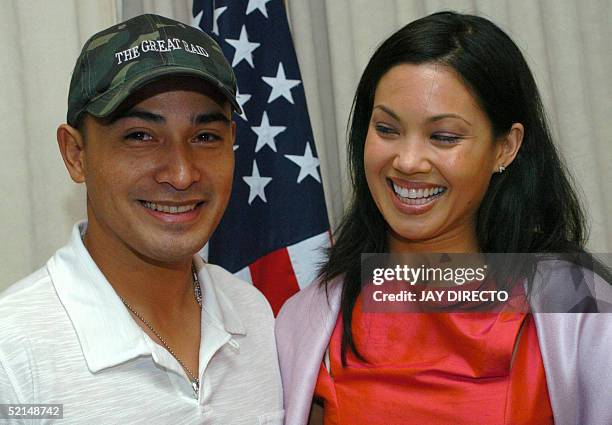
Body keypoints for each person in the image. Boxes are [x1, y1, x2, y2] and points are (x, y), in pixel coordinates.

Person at [275, 11, 612, 425]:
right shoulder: (308, 319)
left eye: (444, 137)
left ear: (506, 147)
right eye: (386, 129)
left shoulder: (579, 304)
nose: (408, 161)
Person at [0, 14, 283, 424]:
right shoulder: (12, 353)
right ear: (76, 154)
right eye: (140, 136)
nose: (182, 174)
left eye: (205, 137)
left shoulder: (254, 315)